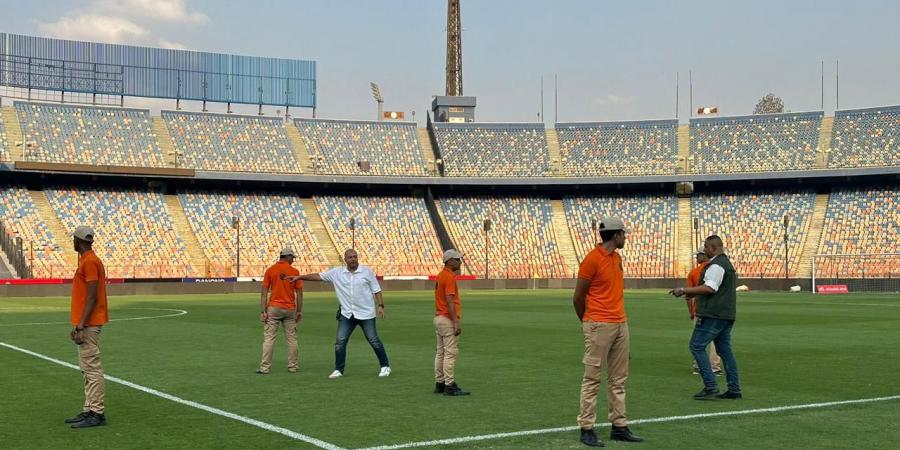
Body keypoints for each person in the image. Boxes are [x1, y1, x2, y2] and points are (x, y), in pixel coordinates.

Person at [573, 217, 643, 447]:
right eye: (623, 233)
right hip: (598, 324)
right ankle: (586, 427)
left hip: (620, 323)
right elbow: (578, 296)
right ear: (615, 235)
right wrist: (587, 321)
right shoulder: (592, 260)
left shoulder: (616, 258)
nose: (625, 237)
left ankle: (619, 425)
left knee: (619, 378)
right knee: (592, 378)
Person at [288, 249, 390, 378]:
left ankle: (385, 366)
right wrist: (300, 277)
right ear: (345, 259)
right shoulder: (337, 273)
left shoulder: (366, 272)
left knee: (373, 340)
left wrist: (381, 306)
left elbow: (377, 290)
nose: (353, 259)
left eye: (355, 256)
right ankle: (339, 370)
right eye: (350, 257)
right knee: (340, 341)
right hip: (347, 314)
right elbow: (318, 276)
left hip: (366, 314)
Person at [669, 235, 742, 400]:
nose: (704, 250)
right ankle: (734, 388)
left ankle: (711, 386)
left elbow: (710, 288)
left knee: (696, 346)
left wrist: (684, 290)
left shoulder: (716, 265)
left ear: (713, 247)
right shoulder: (726, 264)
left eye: (706, 247)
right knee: (725, 351)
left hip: (712, 314)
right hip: (726, 314)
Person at [65, 226, 109, 428]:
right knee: (87, 368)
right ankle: (89, 410)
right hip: (87, 322)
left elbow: (92, 296)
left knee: (92, 369)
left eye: (74, 239)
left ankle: (97, 413)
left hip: (89, 323)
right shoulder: (88, 260)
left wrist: (81, 325)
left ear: (77, 241)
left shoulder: (90, 262)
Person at [257, 247, 303, 374]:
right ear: (287, 257)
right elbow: (299, 294)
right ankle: (293, 366)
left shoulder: (270, 270)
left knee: (269, 338)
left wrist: (263, 311)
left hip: (274, 308)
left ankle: (265, 367)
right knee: (292, 338)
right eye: (292, 258)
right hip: (290, 309)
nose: (293, 260)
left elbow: (264, 293)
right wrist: (299, 311)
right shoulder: (294, 271)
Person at [433, 249, 469, 396]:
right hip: (447, 318)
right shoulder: (449, 277)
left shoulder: (441, 275)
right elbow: (450, 299)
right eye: (457, 259)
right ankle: (449, 385)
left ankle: (440, 383)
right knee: (450, 353)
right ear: (449, 261)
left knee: (440, 352)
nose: (460, 262)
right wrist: (456, 322)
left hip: (438, 317)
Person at [686, 250, 722, 376]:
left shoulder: (694, 272)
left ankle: (698, 366)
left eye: (698, 255)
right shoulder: (716, 269)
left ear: (703, 256)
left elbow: (688, 295)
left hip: (699, 309)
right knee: (714, 339)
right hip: (713, 310)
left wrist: (691, 311)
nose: (696, 257)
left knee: (698, 339)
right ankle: (714, 367)